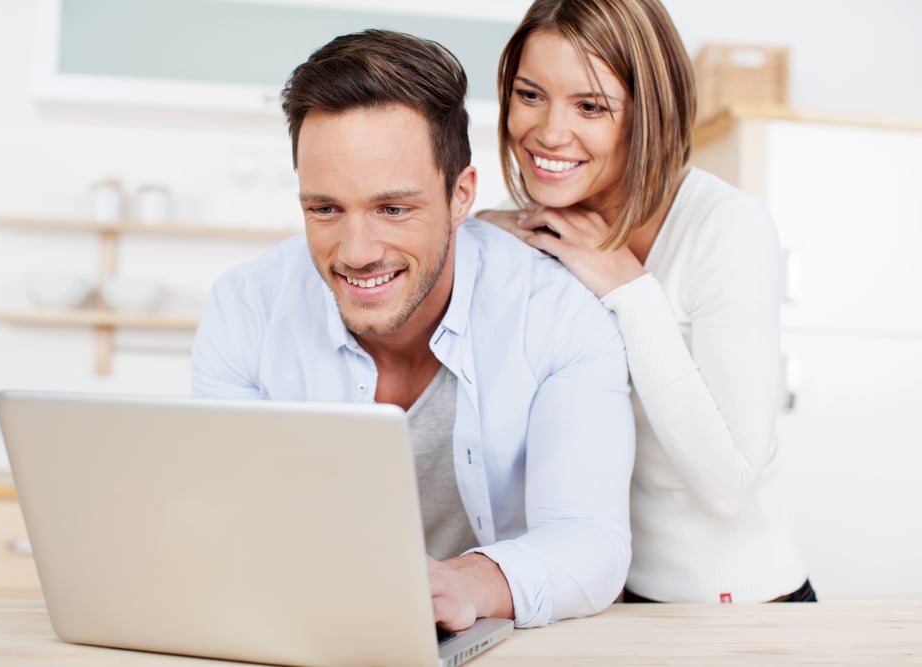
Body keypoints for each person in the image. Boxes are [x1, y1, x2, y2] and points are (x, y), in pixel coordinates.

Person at [191, 29, 636, 629]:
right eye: (324, 209)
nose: (355, 252)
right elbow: (225, 519)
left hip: (489, 635)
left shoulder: (557, 314)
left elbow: (592, 540)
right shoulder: (245, 308)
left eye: (392, 209)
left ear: (461, 195)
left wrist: (468, 583)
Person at [476, 0, 815, 603]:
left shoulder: (724, 228)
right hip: (608, 602)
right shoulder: (531, 232)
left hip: (744, 612)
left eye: (591, 106)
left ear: (649, 115)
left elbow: (729, 485)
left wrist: (630, 288)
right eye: (530, 95)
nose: (550, 132)